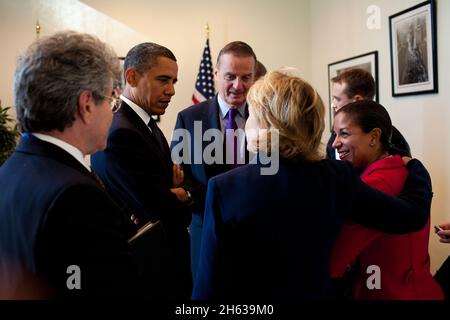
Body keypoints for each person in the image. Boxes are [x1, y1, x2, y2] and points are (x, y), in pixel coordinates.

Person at [192, 70, 433, 300]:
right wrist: (415, 169)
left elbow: (208, 286)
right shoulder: (336, 177)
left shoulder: (225, 188)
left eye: (252, 114)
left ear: (266, 124)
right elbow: (410, 216)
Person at [0, 31, 140, 298]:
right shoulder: (77, 197)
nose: (113, 113)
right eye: (111, 101)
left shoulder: (8, 172)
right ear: (87, 104)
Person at [91, 42, 192, 299]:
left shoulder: (145, 124)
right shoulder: (122, 132)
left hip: (165, 263)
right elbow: (155, 208)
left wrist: (173, 194)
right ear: (132, 77)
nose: (171, 90)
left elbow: (159, 199)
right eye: (163, 80)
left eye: (174, 81)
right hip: (146, 273)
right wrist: (181, 195)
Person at [329, 100, 443, 299]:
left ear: (374, 137)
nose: (334, 143)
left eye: (344, 134)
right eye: (335, 134)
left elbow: (333, 260)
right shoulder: (400, 167)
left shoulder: (377, 183)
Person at [171, 41, 257, 279]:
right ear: (216, 74)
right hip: (205, 227)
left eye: (246, 78)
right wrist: (198, 196)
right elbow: (179, 175)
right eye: (230, 76)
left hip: (256, 232)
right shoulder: (189, 118)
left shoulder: (267, 117)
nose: (238, 86)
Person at [326, 68, 411, 159]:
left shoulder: (392, 138)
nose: (333, 105)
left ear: (357, 100)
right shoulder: (336, 134)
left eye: (337, 99)